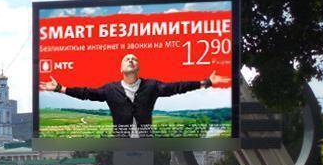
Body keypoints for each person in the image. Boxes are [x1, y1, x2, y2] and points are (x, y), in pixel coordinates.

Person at [38, 53, 230, 138]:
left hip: (146, 141)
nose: (130, 60)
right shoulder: (110, 89)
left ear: (138, 67)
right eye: (127, 59)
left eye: (134, 59)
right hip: (120, 143)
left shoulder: (152, 86)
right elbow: (87, 93)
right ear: (121, 69)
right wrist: (60, 88)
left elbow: (176, 87)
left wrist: (206, 82)